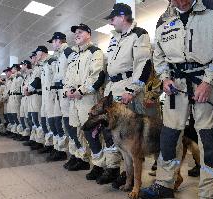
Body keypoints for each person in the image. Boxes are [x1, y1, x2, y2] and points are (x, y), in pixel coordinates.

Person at [140, 0, 213, 199]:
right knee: (168, 137)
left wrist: (209, 81)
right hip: (176, 87)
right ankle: (164, 183)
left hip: (206, 81)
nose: (181, 2)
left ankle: (209, 193)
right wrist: (165, 77)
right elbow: (159, 56)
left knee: (209, 140)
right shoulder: (164, 19)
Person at [84, 3, 152, 185]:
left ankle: (130, 175)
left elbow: (143, 64)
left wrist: (132, 90)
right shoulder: (114, 38)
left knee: (131, 138)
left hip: (128, 88)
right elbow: (109, 69)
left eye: (112, 19)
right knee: (112, 134)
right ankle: (116, 170)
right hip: (112, 89)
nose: (111, 22)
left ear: (123, 17)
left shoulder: (139, 34)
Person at [64, 23, 105, 171]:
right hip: (74, 100)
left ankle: (99, 165)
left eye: (80, 32)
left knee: (91, 133)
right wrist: (66, 91)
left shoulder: (95, 52)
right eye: (75, 33)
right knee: (77, 131)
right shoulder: (75, 56)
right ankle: (83, 159)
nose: (76, 34)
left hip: (87, 98)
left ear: (89, 34)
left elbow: (97, 76)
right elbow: (67, 77)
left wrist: (80, 91)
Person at [46, 32, 75, 161]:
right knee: (62, 122)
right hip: (58, 91)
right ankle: (63, 151)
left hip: (66, 90)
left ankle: (77, 155)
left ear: (58, 41)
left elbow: (73, 71)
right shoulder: (59, 55)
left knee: (70, 123)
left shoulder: (68, 52)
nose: (52, 44)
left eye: (53, 41)